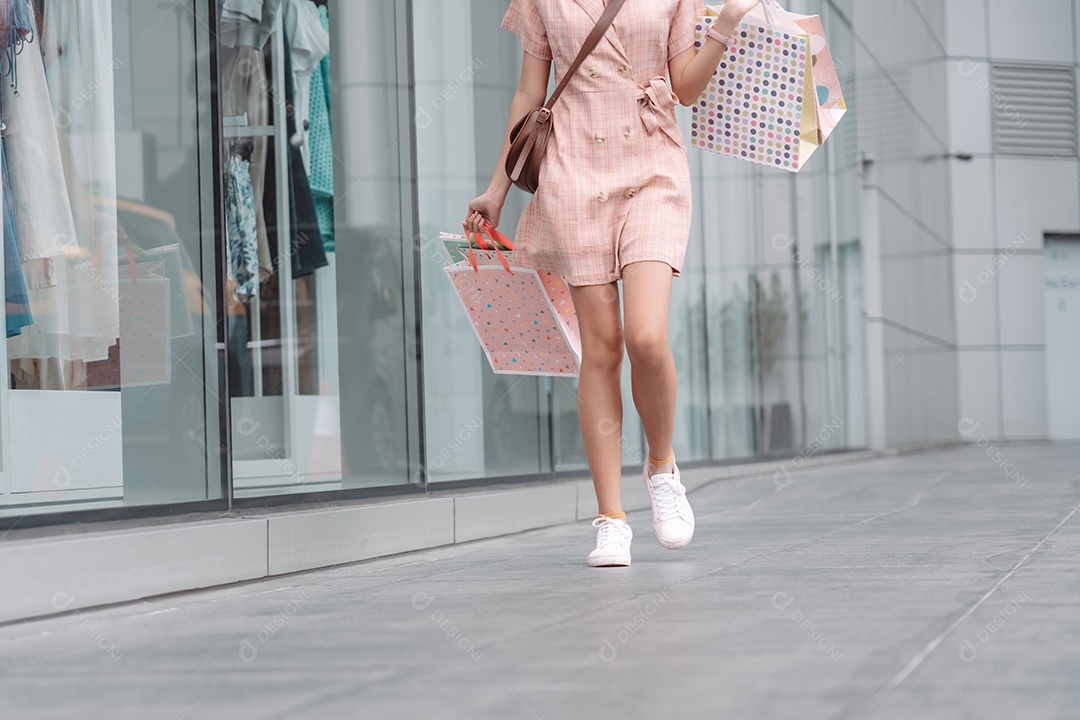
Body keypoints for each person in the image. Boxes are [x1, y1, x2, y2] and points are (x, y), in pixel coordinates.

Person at [464, 0, 761, 566]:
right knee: (601, 348)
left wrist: (722, 29)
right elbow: (529, 94)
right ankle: (611, 519)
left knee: (646, 336)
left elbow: (686, 87)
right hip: (574, 174)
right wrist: (497, 190)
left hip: (652, 165)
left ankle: (661, 465)